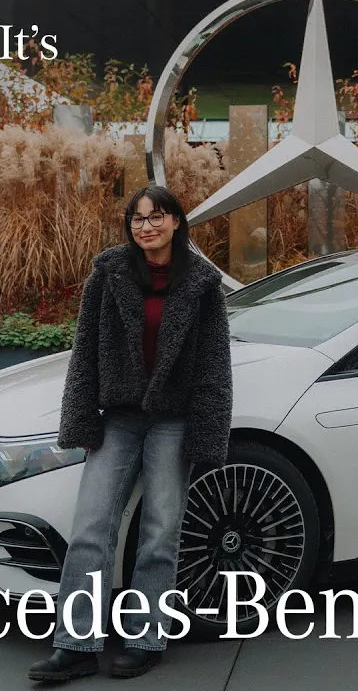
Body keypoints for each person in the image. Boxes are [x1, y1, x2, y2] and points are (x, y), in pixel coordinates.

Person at [28, 185, 233, 681]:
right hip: (118, 416)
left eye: (157, 216)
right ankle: (76, 644)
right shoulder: (109, 273)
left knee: (160, 530)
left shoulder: (202, 283)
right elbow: (85, 352)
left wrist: (207, 434)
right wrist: (80, 418)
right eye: (138, 219)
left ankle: (146, 637)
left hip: (173, 419)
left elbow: (214, 365)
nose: (147, 226)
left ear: (177, 222)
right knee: (90, 527)